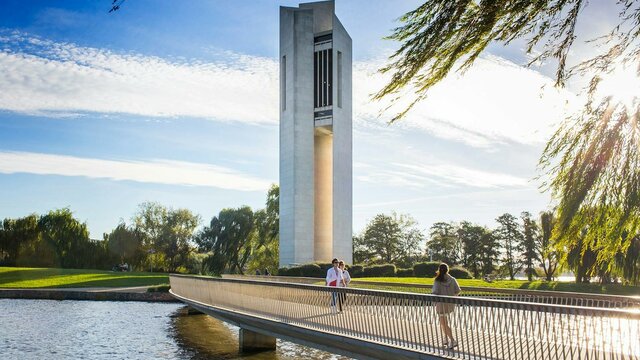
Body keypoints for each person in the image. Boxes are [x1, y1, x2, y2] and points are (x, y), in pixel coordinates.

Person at [432, 263, 461, 349]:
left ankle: (452, 340)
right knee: (444, 322)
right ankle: (446, 338)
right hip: (450, 304)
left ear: (439, 270)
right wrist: (452, 296)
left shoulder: (438, 280)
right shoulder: (452, 279)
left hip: (441, 304)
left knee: (443, 323)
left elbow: (435, 292)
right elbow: (458, 290)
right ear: (448, 270)